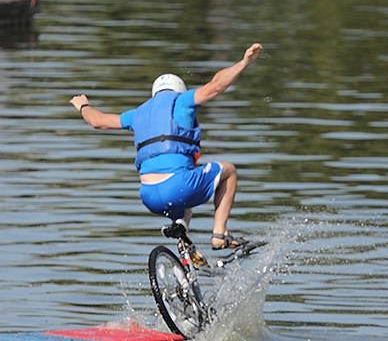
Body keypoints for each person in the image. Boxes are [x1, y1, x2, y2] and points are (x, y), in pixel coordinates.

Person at [70, 43, 263, 261]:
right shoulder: (182, 102)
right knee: (229, 170)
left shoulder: (138, 114)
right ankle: (220, 234)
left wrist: (83, 105)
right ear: (178, 90)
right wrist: (244, 62)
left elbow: (97, 121)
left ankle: (185, 248)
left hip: (149, 196)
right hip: (178, 186)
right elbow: (216, 85)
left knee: (183, 201)